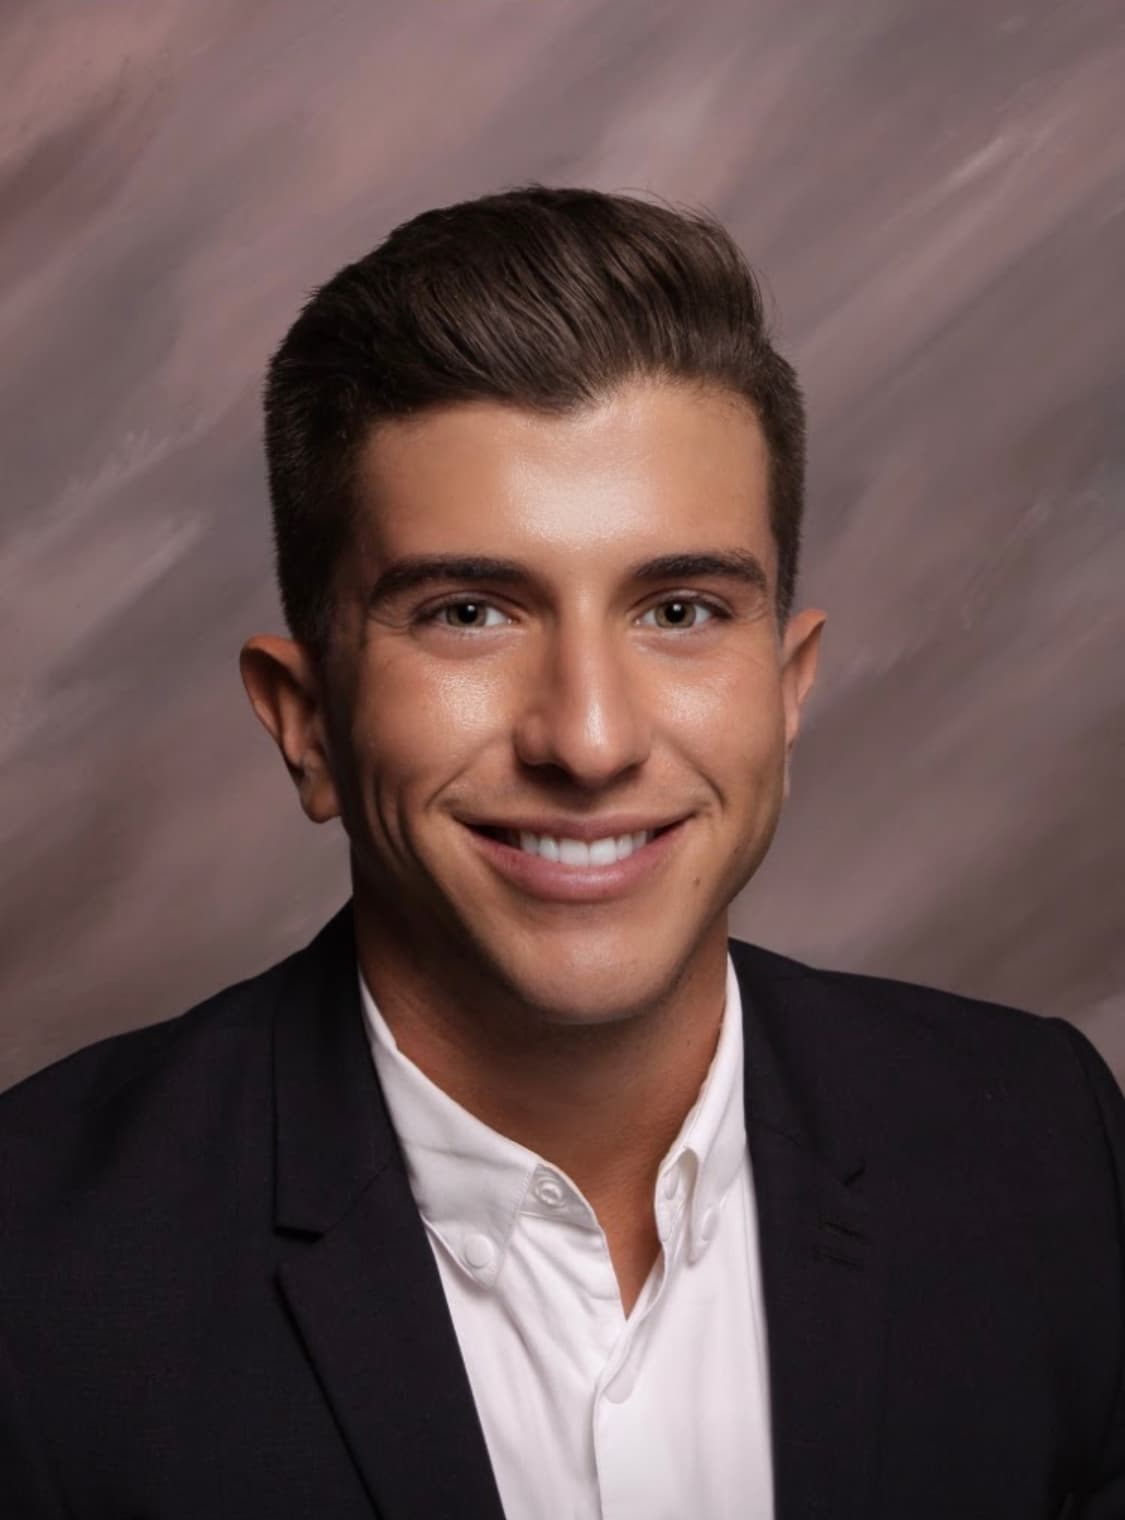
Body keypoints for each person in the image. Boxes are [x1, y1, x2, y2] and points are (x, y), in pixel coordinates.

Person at [0, 186, 1121, 1520]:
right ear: (305, 721)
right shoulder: (35, 1266)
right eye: (468, 612)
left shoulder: (1044, 1147)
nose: (587, 740)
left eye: (680, 609)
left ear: (787, 690)